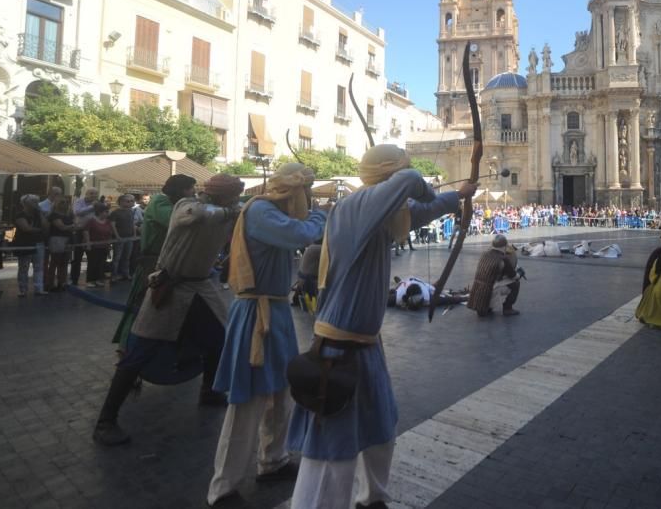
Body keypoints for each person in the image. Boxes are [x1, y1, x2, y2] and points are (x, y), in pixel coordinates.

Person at [286, 144, 474, 509]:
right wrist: (420, 181)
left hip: (365, 344)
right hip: (338, 350)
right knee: (331, 451)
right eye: (399, 170)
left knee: (380, 426)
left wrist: (457, 196)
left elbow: (419, 211)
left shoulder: (377, 214)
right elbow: (411, 184)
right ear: (389, 175)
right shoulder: (356, 207)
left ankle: (372, 498)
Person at [92, 174, 244, 446]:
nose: (236, 200)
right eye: (233, 195)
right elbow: (197, 214)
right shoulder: (187, 205)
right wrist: (232, 210)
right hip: (171, 286)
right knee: (139, 352)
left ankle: (209, 391)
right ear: (222, 195)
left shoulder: (226, 211)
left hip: (200, 286)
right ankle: (105, 421)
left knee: (219, 337)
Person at [207, 164, 327, 507]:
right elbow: (301, 234)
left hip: (275, 312)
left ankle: (272, 460)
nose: (308, 199)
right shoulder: (260, 210)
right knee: (247, 401)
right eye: (306, 192)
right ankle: (222, 488)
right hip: (255, 315)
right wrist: (321, 215)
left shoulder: (273, 211)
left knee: (280, 392)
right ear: (293, 191)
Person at [112, 175, 197, 351]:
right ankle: (126, 348)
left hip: (170, 262)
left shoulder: (175, 203)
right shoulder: (160, 201)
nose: (193, 192)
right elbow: (175, 220)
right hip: (152, 261)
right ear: (181, 189)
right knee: (142, 304)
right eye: (190, 188)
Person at [466, 235, 521, 316]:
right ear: (505, 246)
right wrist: (520, 274)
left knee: (491, 281)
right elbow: (514, 276)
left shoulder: (484, 254)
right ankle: (507, 308)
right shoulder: (503, 259)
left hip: (477, 290)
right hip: (489, 289)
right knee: (516, 283)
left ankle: (487, 307)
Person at [13, 194, 48, 297]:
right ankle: (23, 289)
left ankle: (39, 289)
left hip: (39, 242)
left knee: (39, 267)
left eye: (36, 201)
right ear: (25, 203)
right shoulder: (20, 215)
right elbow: (26, 228)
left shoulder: (38, 215)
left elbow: (45, 227)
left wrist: (41, 214)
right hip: (25, 243)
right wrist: (38, 230)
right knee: (24, 267)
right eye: (33, 201)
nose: (36, 204)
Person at [70, 188, 99, 286]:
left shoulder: (96, 203)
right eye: (91, 193)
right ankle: (74, 280)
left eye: (95, 194)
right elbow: (77, 212)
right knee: (77, 257)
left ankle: (90, 280)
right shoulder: (78, 201)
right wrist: (92, 207)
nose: (93, 196)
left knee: (92, 257)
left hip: (92, 231)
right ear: (86, 194)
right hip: (79, 231)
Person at [83, 203, 117, 288]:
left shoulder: (108, 222)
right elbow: (86, 231)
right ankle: (90, 280)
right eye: (106, 212)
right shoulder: (91, 220)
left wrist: (109, 245)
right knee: (92, 263)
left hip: (104, 246)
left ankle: (99, 279)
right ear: (100, 212)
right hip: (94, 246)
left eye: (107, 212)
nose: (107, 213)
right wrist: (88, 243)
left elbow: (110, 233)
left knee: (101, 264)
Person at [45, 198, 75, 292]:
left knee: (64, 263)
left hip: (68, 239)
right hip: (57, 239)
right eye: (62, 202)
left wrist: (70, 227)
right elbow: (61, 227)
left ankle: (62, 283)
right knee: (55, 262)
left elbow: (73, 226)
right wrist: (72, 226)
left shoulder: (69, 215)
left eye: (66, 203)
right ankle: (50, 284)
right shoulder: (54, 215)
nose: (65, 204)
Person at [109, 194, 138, 282]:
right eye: (128, 201)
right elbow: (112, 225)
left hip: (129, 237)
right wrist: (117, 236)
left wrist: (134, 234)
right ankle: (114, 275)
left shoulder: (131, 211)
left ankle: (125, 273)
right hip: (119, 238)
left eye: (132, 201)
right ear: (121, 202)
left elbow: (133, 224)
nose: (130, 203)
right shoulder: (115, 212)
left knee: (127, 257)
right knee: (117, 257)